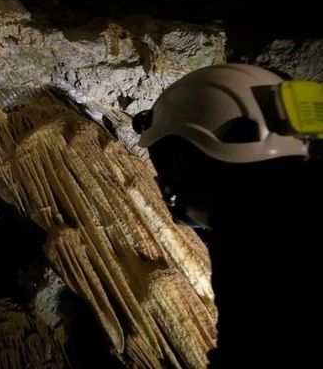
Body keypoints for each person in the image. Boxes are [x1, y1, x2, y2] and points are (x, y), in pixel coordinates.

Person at [132, 63, 323, 367]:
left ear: (183, 163)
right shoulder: (293, 204)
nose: (166, 185)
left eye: (165, 166)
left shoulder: (250, 234)